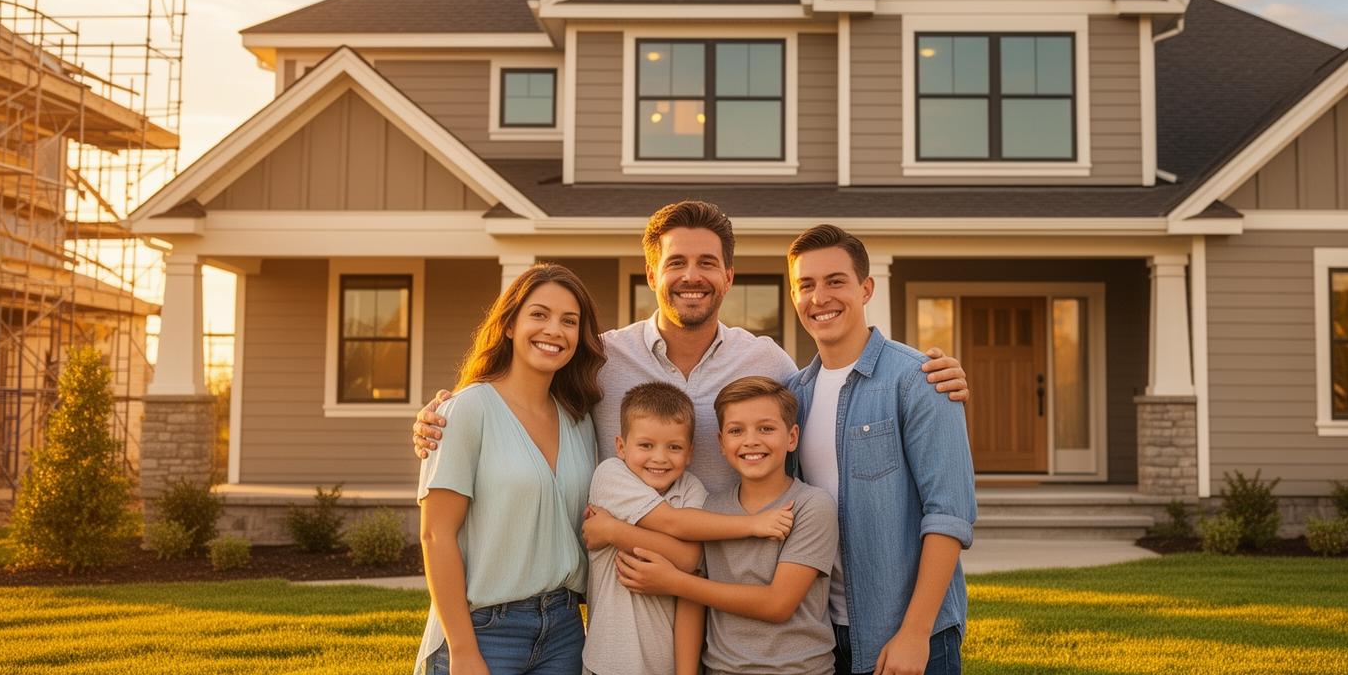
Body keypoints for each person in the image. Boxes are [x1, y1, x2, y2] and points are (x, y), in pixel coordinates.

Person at [411, 201, 970, 493]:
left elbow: (835, 393)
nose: (691, 276)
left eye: (707, 263)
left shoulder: (768, 363)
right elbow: (520, 393)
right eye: (675, 262)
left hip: (739, 603)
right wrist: (446, 416)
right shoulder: (601, 357)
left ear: (729, 276)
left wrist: (925, 370)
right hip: (631, 604)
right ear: (652, 272)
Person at [787, 224, 975, 675]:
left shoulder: (918, 380)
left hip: (910, 634)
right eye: (807, 285)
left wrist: (914, 633)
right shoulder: (793, 393)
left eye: (836, 281)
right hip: (825, 639)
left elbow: (948, 516)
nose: (821, 298)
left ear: (866, 288)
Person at [412, 263, 604, 675]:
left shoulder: (579, 417)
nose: (554, 330)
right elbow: (436, 536)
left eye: (569, 320)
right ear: (510, 325)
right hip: (484, 632)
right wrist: (464, 651)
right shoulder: (467, 409)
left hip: (564, 633)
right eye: (538, 314)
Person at [616, 376, 840, 675]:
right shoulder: (711, 510)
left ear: (792, 437)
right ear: (720, 443)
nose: (751, 441)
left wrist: (675, 582)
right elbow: (694, 608)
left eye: (766, 429)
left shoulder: (812, 506)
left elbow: (777, 604)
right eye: (736, 431)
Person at [577, 380, 796, 675]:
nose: (659, 458)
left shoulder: (693, 490)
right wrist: (751, 525)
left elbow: (692, 559)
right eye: (646, 446)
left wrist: (613, 530)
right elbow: (682, 541)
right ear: (621, 446)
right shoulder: (611, 476)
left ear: (691, 452)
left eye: (674, 448)